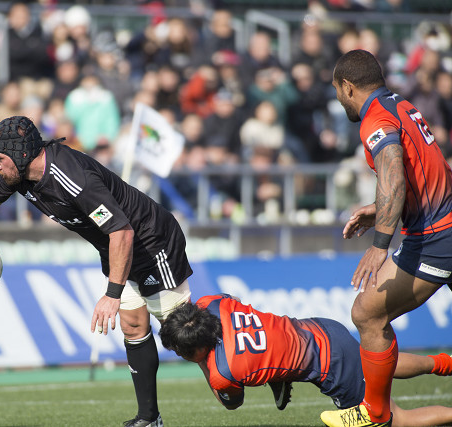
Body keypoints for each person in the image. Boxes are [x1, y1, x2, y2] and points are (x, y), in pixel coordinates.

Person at [0, 116, 194, 427]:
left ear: (21, 154)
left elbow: (122, 232)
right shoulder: (14, 175)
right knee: (133, 326)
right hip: (117, 247)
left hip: (151, 240)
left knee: (185, 333)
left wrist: (112, 295)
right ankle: (149, 419)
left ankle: (242, 361)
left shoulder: (71, 177)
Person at [320, 49, 452, 426]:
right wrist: (378, 207)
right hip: (445, 223)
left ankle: (376, 413)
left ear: (348, 87)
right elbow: (422, 172)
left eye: (337, 90)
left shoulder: (375, 118)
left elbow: (393, 173)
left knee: (367, 313)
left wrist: (380, 246)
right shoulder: (400, 105)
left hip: (436, 236)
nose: (338, 98)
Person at [159, 294, 452, 427]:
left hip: (333, 366)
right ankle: (446, 363)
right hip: (322, 327)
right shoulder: (211, 303)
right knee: (380, 364)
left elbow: (231, 403)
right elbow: (229, 302)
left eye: (182, 352)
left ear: (198, 348)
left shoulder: (223, 371)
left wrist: (202, 362)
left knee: (392, 419)